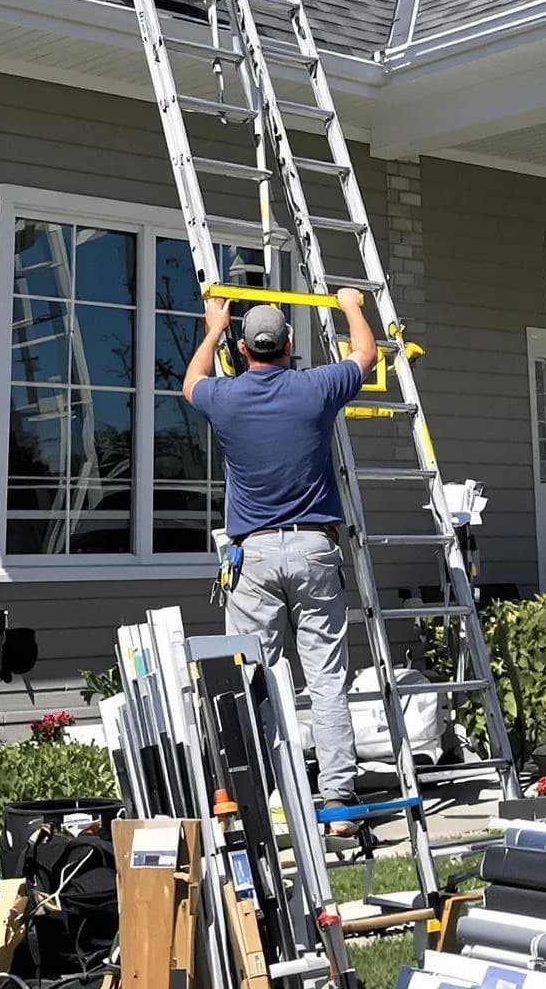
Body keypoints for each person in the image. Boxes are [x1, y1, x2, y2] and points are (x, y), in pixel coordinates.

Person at [181, 287, 377, 815]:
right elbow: (364, 354)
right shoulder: (315, 388)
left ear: (245, 351)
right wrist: (350, 306)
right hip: (315, 549)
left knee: (253, 679)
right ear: (288, 344)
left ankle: (259, 796)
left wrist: (213, 328)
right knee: (326, 678)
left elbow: (191, 382)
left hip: (254, 557)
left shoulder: (226, 397)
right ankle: (337, 794)